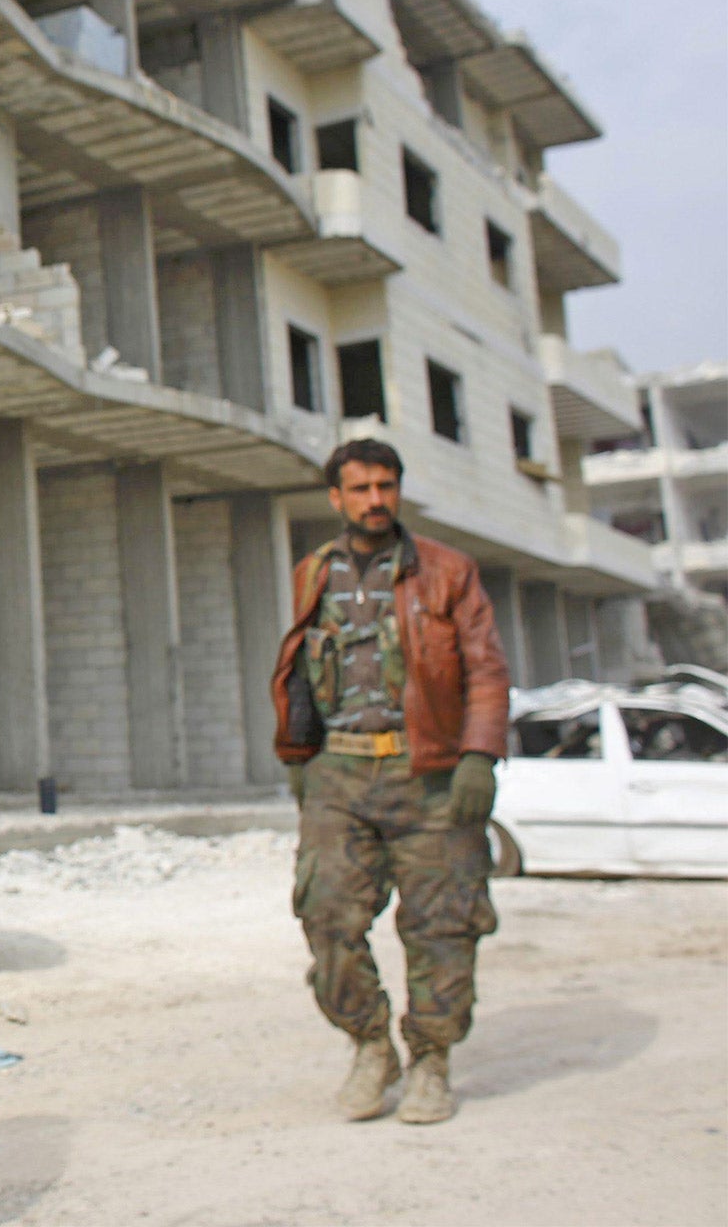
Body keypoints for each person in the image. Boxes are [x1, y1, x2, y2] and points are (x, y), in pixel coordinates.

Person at [271, 437, 509, 1126]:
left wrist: (478, 755)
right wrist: (298, 758)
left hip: (426, 770)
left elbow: (486, 668)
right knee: (326, 916)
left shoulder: (447, 570)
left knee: (442, 926)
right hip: (339, 772)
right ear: (336, 498)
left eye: (386, 485)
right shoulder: (313, 572)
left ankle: (431, 1059)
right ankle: (371, 1046)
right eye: (362, 488)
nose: (376, 499)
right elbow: (299, 670)